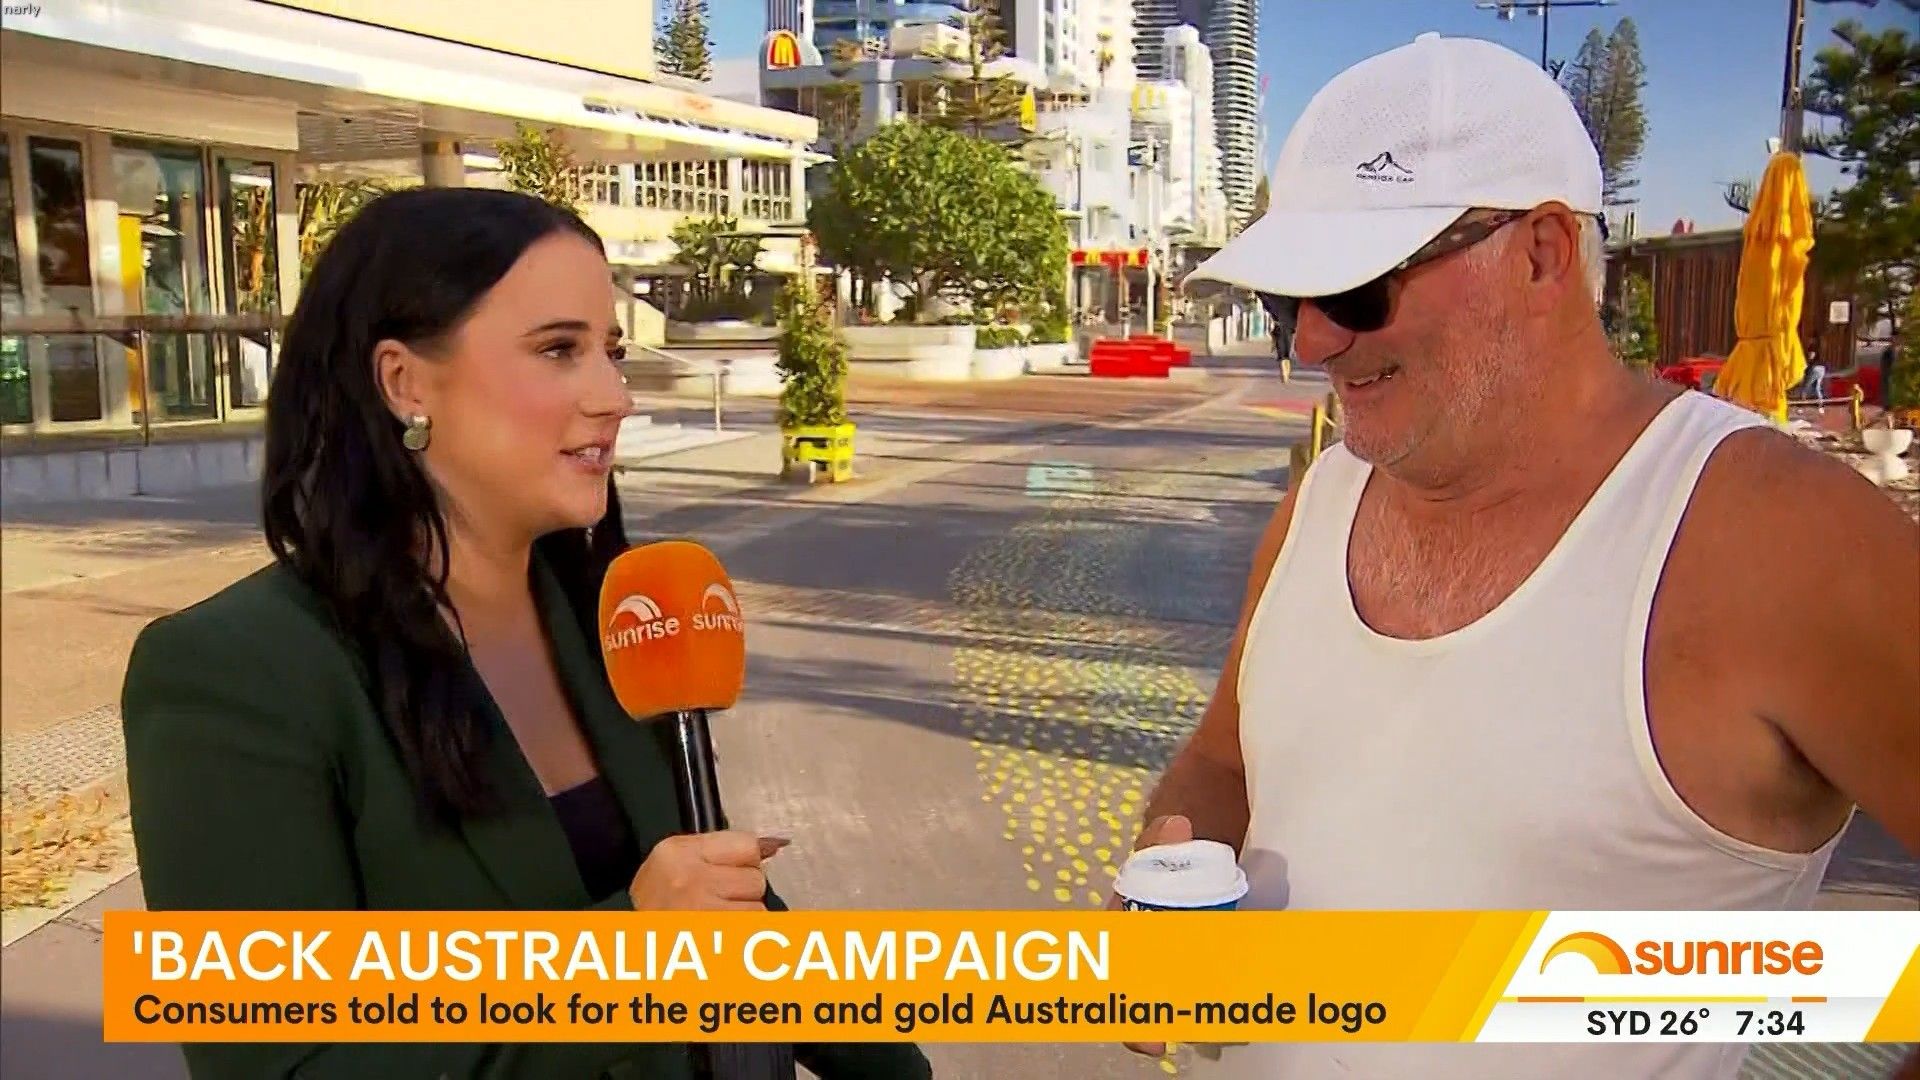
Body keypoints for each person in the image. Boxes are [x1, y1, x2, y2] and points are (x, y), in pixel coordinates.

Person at [1126, 33, 1920, 1079]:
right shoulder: (1321, 502)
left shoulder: (1775, 538)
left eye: (1356, 289)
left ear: (1542, 253)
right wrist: (1174, 880)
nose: (1312, 341)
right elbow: (1224, 762)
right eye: (1290, 298)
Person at [120, 187, 932, 1080]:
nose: (614, 396)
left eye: (612, 352)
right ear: (405, 383)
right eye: (558, 350)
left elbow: (715, 906)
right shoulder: (235, 674)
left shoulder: (610, 617)